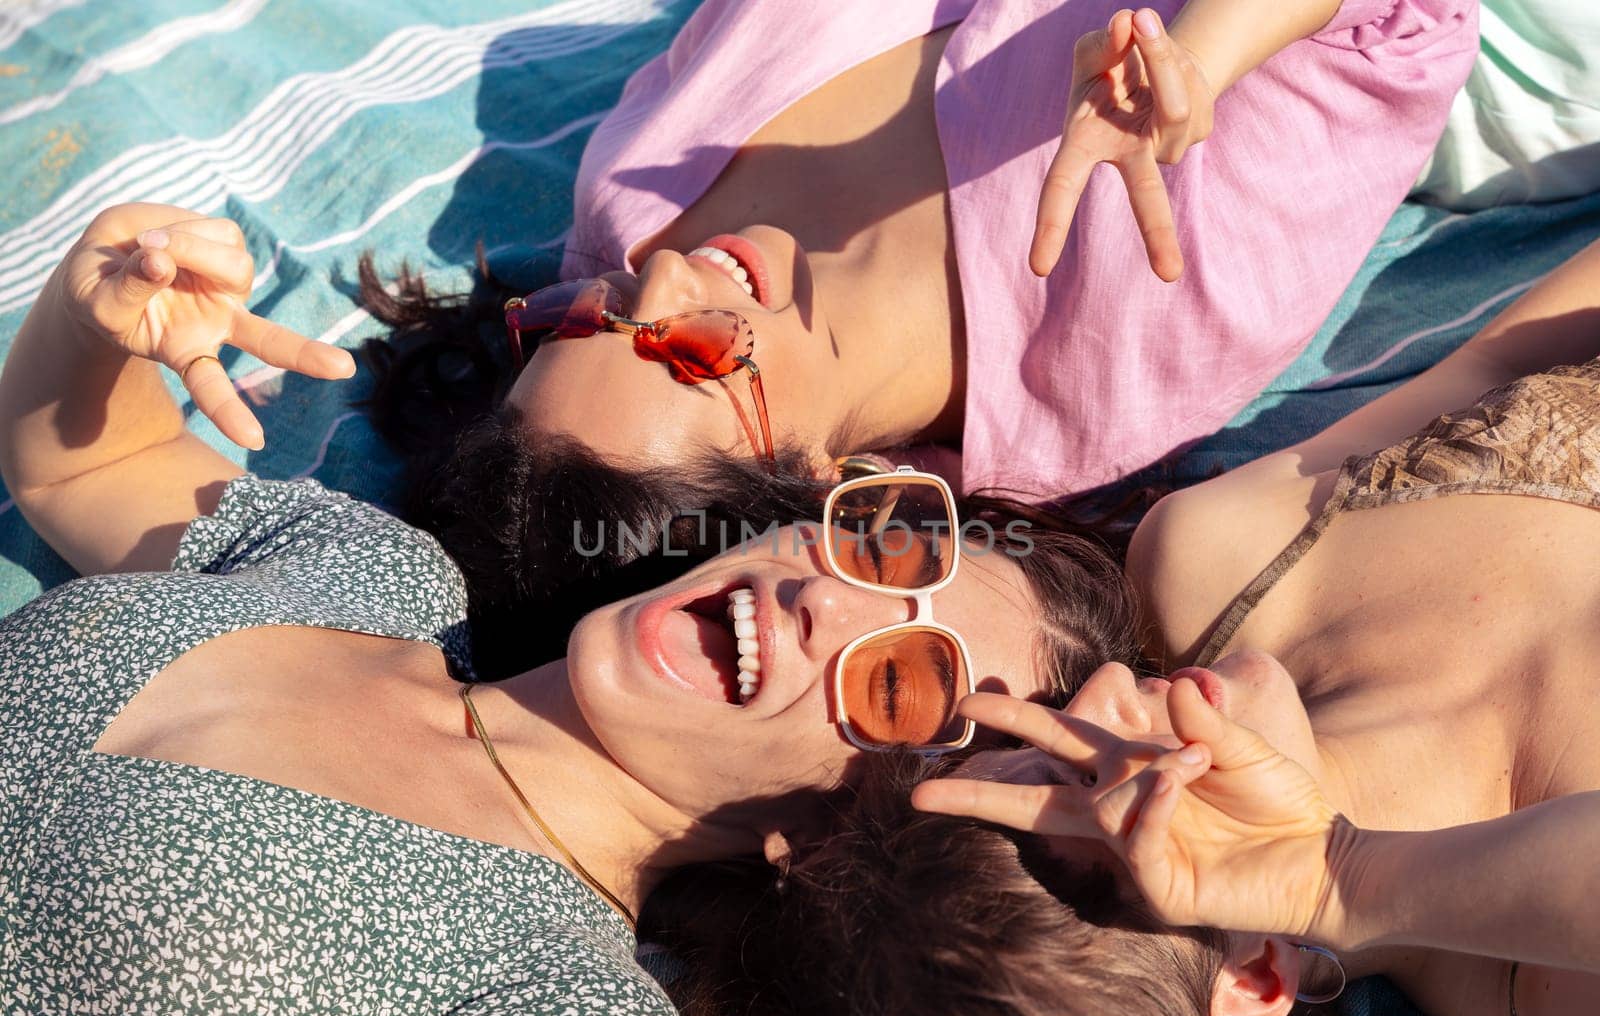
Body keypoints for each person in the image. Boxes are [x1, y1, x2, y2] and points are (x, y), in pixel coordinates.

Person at [0, 204, 1139, 1016]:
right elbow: (93, 462)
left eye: (893, 687)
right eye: (882, 550)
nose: (823, 599)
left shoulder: (561, 1008)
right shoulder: (380, 576)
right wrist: (94, 311)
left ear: (832, 833)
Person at [357, 0, 1479, 672]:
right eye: (686, 357)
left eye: (588, 318)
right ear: (809, 485)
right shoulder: (1131, 333)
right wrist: (1203, 49)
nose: (656, 280)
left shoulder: (631, 200)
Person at [793, 236, 1600, 1016]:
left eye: (1048, 731)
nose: (1106, 685)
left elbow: (1496, 360)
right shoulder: (1551, 988)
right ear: (1255, 977)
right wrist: (1338, 875)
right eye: (1104, 773)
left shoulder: (1215, 564)